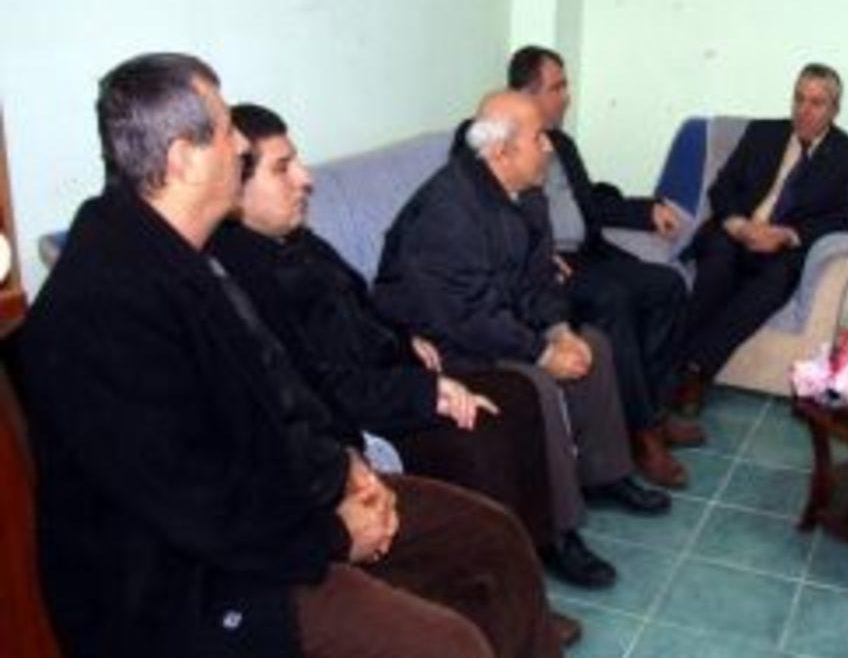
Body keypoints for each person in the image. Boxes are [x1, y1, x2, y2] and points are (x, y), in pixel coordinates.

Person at [17, 53, 561, 658]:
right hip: (195, 586)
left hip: (285, 509)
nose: (239, 146)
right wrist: (334, 534)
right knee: (447, 644)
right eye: (227, 130)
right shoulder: (103, 309)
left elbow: (283, 393)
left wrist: (346, 465)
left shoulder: (192, 255)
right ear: (182, 158)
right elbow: (200, 506)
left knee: (492, 538)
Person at [210, 102, 606, 596]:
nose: (305, 179)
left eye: (299, 162)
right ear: (235, 185)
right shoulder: (246, 276)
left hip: (394, 370)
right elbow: (322, 388)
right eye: (282, 168)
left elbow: (363, 302)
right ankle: (495, 584)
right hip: (362, 407)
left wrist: (403, 339)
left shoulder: (297, 241)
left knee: (518, 394)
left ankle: (540, 547)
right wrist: (426, 391)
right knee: (483, 429)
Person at [373, 90, 673, 568]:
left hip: (494, 320)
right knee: (534, 383)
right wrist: (540, 353)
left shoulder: (527, 192)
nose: (550, 146)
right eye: (539, 138)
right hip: (437, 342)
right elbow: (467, 316)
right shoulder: (448, 210)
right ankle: (555, 531)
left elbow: (538, 279)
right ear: (501, 151)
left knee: (592, 344)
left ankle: (605, 475)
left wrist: (558, 331)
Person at [504, 45, 703, 487]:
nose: (567, 96)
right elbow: (488, 212)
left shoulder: (561, 143)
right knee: (614, 300)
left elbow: (591, 203)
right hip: (546, 272)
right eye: (558, 88)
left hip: (588, 257)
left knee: (668, 284)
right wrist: (534, 252)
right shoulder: (495, 142)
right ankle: (642, 435)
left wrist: (647, 210)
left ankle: (657, 411)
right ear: (528, 94)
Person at [673, 63, 848, 414]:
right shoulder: (762, 133)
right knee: (719, 256)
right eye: (798, 99)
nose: (803, 110)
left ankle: (694, 369)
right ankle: (673, 359)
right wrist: (738, 225)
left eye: (816, 103)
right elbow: (723, 186)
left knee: (777, 278)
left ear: (834, 109)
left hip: (782, 250)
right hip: (736, 234)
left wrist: (789, 235)